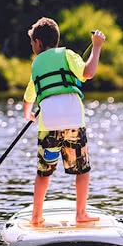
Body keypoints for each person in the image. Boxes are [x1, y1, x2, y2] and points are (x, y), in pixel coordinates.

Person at [23, 17, 105, 225]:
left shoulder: (36, 64)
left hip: (48, 123)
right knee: (82, 170)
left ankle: (36, 216)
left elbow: (29, 95)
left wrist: (27, 113)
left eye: (32, 43)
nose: (32, 46)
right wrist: (96, 48)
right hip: (73, 120)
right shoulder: (68, 54)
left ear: (39, 43)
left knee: (44, 173)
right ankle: (80, 214)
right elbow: (89, 72)